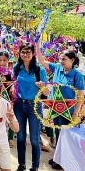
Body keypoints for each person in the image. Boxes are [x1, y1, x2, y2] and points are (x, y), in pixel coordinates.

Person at [36, 40, 84, 170]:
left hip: (68, 110)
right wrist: (37, 45)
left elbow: (80, 96)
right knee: (58, 132)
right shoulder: (57, 68)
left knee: (65, 134)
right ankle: (58, 158)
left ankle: (64, 161)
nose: (61, 61)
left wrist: (76, 113)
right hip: (54, 107)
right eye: (60, 58)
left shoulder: (77, 75)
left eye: (64, 59)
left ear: (73, 60)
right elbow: (41, 61)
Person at [13, 42, 47, 171]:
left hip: (35, 106)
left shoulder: (39, 70)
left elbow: (46, 92)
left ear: (33, 54)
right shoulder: (16, 68)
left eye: (28, 52)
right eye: (23, 52)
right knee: (21, 137)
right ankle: (21, 164)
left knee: (34, 139)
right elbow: (13, 86)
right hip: (19, 105)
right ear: (19, 54)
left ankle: (35, 167)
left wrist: (42, 87)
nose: (26, 54)